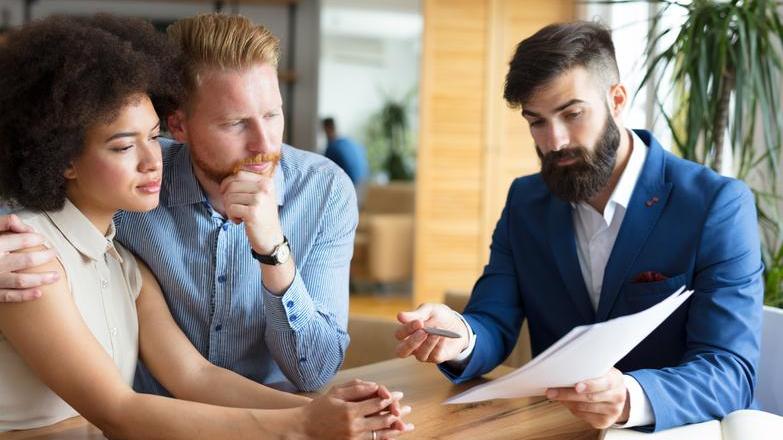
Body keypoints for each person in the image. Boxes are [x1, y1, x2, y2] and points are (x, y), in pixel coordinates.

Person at [0, 15, 412, 439]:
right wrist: (303, 424)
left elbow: (196, 377)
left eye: (152, 137)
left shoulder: (123, 262)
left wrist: (336, 412)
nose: (151, 159)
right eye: (125, 145)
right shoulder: (25, 258)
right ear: (181, 129)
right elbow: (119, 411)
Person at [393, 21, 763, 433]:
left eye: (572, 114)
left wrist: (630, 399)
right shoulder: (525, 202)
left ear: (617, 99)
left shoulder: (716, 205)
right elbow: (493, 322)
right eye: (537, 121)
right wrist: (460, 336)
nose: (554, 141)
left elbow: (730, 371)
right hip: (558, 429)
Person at [323, 117, 370, 189]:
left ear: (326, 129)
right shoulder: (350, 141)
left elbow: (324, 171)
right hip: (364, 184)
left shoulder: (332, 147)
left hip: (351, 185)